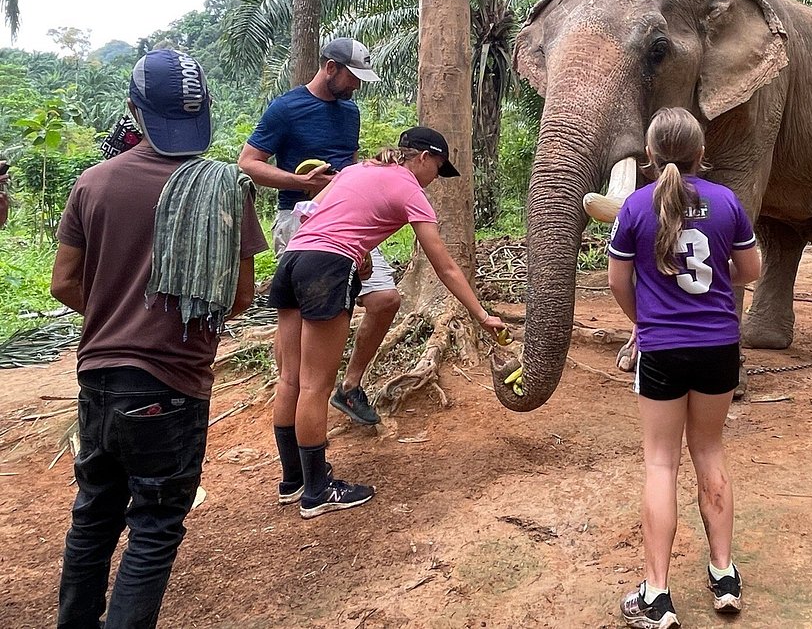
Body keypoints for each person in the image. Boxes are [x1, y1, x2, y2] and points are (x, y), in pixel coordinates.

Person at [51, 50, 267, 629]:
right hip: (174, 382)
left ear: (133, 110)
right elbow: (239, 297)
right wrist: (173, 319)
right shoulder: (225, 187)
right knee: (154, 525)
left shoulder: (92, 184)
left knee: (94, 512)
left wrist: (114, 317)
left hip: (99, 378)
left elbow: (64, 283)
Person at [267, 126, 506, 519]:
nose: (434, 179)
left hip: (294, 258)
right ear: (425, 158)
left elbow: (308, 211)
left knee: (290, 378)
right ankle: (317, 491)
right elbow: (443, 265)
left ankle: (293, 481)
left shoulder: (357, 170)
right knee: (314, 383)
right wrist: (481, 314)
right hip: (326, 266)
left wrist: (354, 247)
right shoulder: (409, 187)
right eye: (438, 168)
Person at [607, 107, 762, 629]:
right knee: (710, 450)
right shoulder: (726, 203)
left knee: (660, 463)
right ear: (701, 153)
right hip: (719, 346)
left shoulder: (633, 207)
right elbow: (751, 270)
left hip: (662, 350)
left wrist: (644, 320)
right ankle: (723, 574)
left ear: (649, 155)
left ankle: (657, 595)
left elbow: (616, 282)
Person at [238, 37, 400, 427]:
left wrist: (374, 165)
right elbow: (249, 162)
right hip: (298, 220)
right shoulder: (286, 108)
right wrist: (300, 181)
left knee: (385, 299)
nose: (357, 86)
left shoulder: (350, 112)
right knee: (295, 319)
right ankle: (292, 393)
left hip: (347, 221)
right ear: (329, 68)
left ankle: (350, 386)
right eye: (352, 77)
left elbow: (349, 165)